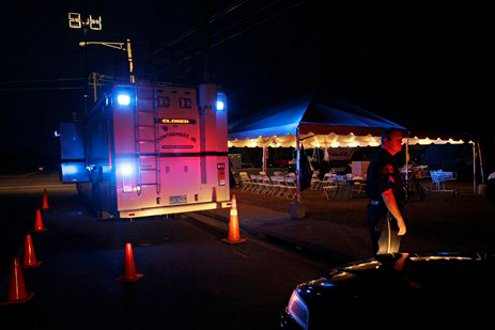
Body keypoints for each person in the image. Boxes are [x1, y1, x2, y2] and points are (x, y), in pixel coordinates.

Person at [366, 129, 407, 255]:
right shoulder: (384, 160)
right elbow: (386, 192)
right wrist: (399, 219)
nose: (402, 142)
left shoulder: (384, 159)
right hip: (385, 214)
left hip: (382, 211)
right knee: (388, 255)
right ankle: (386, 274)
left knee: (386, 253)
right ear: (386, 141)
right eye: (398, 140)